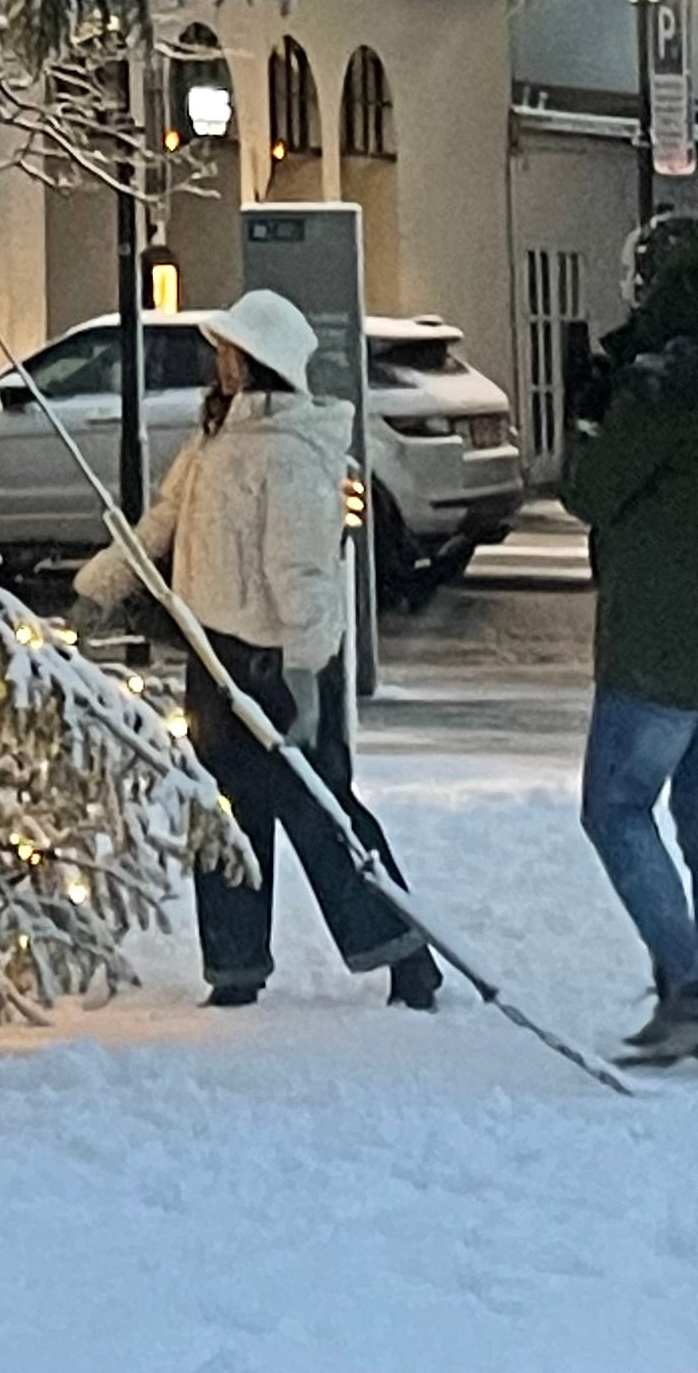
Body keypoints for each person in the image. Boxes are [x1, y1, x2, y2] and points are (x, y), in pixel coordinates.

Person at [76, 288, 441, 1011]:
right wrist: (102, 585)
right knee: (227, 817)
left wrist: (306, 679)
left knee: (321, 813)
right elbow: (162, 522)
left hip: (279, 664)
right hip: (216, 659)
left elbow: (301, 572)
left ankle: (406, 954)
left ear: (260, 362)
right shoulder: (215, 439)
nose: (221, 363)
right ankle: (235, 967)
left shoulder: (294, 453)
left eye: (231, 352)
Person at [563, 215, 698, 1066]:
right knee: (695, 813)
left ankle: (688, 985)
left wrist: (586, 417)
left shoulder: (660, 382)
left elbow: (590, 490)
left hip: (660, 639)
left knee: (614, 808)